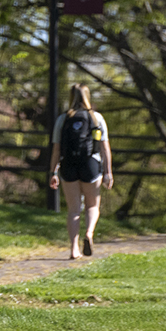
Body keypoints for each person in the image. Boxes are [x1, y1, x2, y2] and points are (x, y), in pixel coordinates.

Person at [47, 84, 113, 259]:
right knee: (92, 206)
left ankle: (74, 249)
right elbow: (105, 147)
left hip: (68, 165)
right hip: (90, 164)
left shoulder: (63, 119)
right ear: (88, 96)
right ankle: (89, 234)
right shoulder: (96, 118)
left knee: (74, 210)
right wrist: (108, 172)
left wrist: (53, 172)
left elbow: (56, 149)